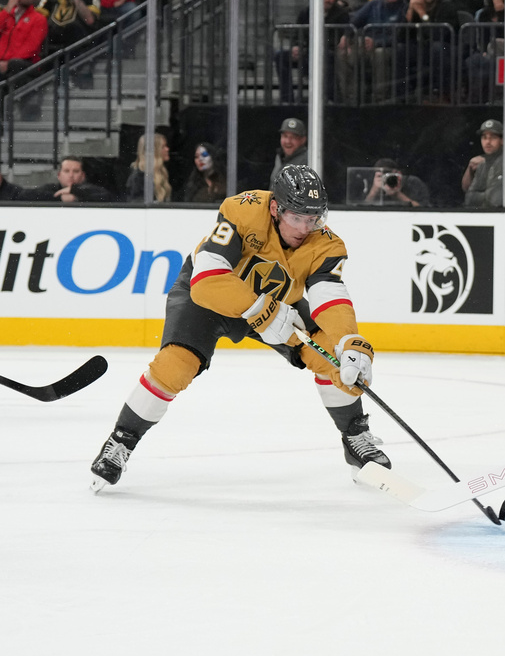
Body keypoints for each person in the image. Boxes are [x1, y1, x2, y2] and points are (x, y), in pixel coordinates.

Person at [90, 165, 388, 492]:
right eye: (297, 217)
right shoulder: (243, 210)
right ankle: (122, 440)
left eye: (314, 218)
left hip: (274, 305)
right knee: (176, 365)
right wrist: (262, 311)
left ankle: (355, 437)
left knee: (332, 356)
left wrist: (348, 341)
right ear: (276, 208)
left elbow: (328, 296)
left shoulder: (326, 244)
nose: (305, 228)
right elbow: (206, 281)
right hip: (208, 299)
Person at [275, 0, 349, 104]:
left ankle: (330, 99)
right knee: (280, 56)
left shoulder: (341, 14)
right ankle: (287, 99)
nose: (328, 0)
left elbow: (337, 38)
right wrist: (297, 46)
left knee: (326, 56)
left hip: (328, 53)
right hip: (307, 52)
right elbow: (298, 34)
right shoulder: (306, 12)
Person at [335, 0, 408, 104]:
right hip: (366, 45)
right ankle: (350, 100)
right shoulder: (374, 4)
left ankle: (380, 100)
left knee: (379, 54)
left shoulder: (405, 7)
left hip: (389, 47)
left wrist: (377, 43)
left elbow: (401, 35)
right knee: (343, 53)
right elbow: (354, 23)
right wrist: (346, 36)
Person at [36, 0, 100, 89]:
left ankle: (73, 77)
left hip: (78, 40)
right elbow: (36, 19)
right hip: (54, 38)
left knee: (72, 28)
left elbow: (90, 20)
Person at [0, 0, 48, 120]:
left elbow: (30, 48)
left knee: (15, 65)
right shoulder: (7, 16)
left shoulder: (39, 18)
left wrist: (6, 63)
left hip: (27, 65)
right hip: (5, 63)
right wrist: (8, 7)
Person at [405, 0, 460, 102]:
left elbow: (437, 36)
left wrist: (422, 14)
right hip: (423, 50)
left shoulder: (447, 6)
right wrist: (410, 12)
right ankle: (402, 97)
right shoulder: (415, 5)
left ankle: (442, 94)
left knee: (436, 48)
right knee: (401, 49)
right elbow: (401, 37)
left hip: (446, 49)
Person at [19, 156, 113, 202]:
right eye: (67, 171)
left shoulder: (91, 190)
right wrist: (60, 198)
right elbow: (25, 195)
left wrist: (74, 191)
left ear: (83, 175)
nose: (71, 175)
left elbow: (107, 197)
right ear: (59, 175)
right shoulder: (51, 189)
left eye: (76, 171)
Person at [463, 118, 504, 208]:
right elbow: (468, 197)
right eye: (484, 137)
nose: (488, 142)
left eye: (493, 137)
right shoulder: (481, 163)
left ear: (502, 140)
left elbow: (495, 199)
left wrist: (477, 196)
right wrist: (470, 169)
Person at [125, 133, 172, 203]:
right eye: (163, 147)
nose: (167, 149)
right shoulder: (139, 178)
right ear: (154, 151)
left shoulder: (161, 172)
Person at [364, 157, 430, 206]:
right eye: (382, 176)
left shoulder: (412, 183)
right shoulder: (370, 184)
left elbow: (424, 209)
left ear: (399, 173)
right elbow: (361, 207)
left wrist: (398, 194)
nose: (387, 179)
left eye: (390, 175)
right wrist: (374, 191)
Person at [270, 118, 309, 186]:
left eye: (293, 137)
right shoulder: (279, 158)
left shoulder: (308, 161)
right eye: (285, 136)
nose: (288, 141)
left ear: (303, 140)